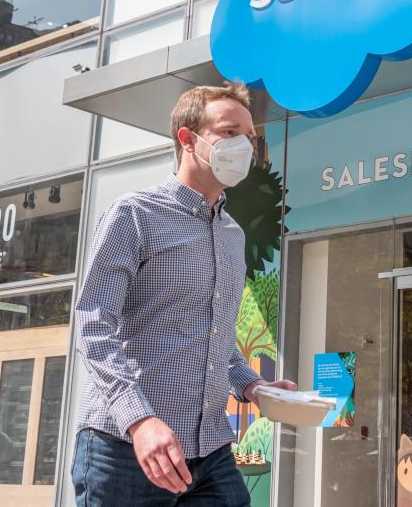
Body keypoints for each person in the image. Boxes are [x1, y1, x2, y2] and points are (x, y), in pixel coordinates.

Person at [71, 82, 296, 506]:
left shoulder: (232, 235)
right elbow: (93, 325)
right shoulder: (133, 215)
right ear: (188, 139)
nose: (244, 146)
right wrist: (140, 421)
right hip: (125, 445)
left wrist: (255, 389)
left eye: (249, 136)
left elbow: (218, 340)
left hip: (209, 449)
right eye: (229, 132)